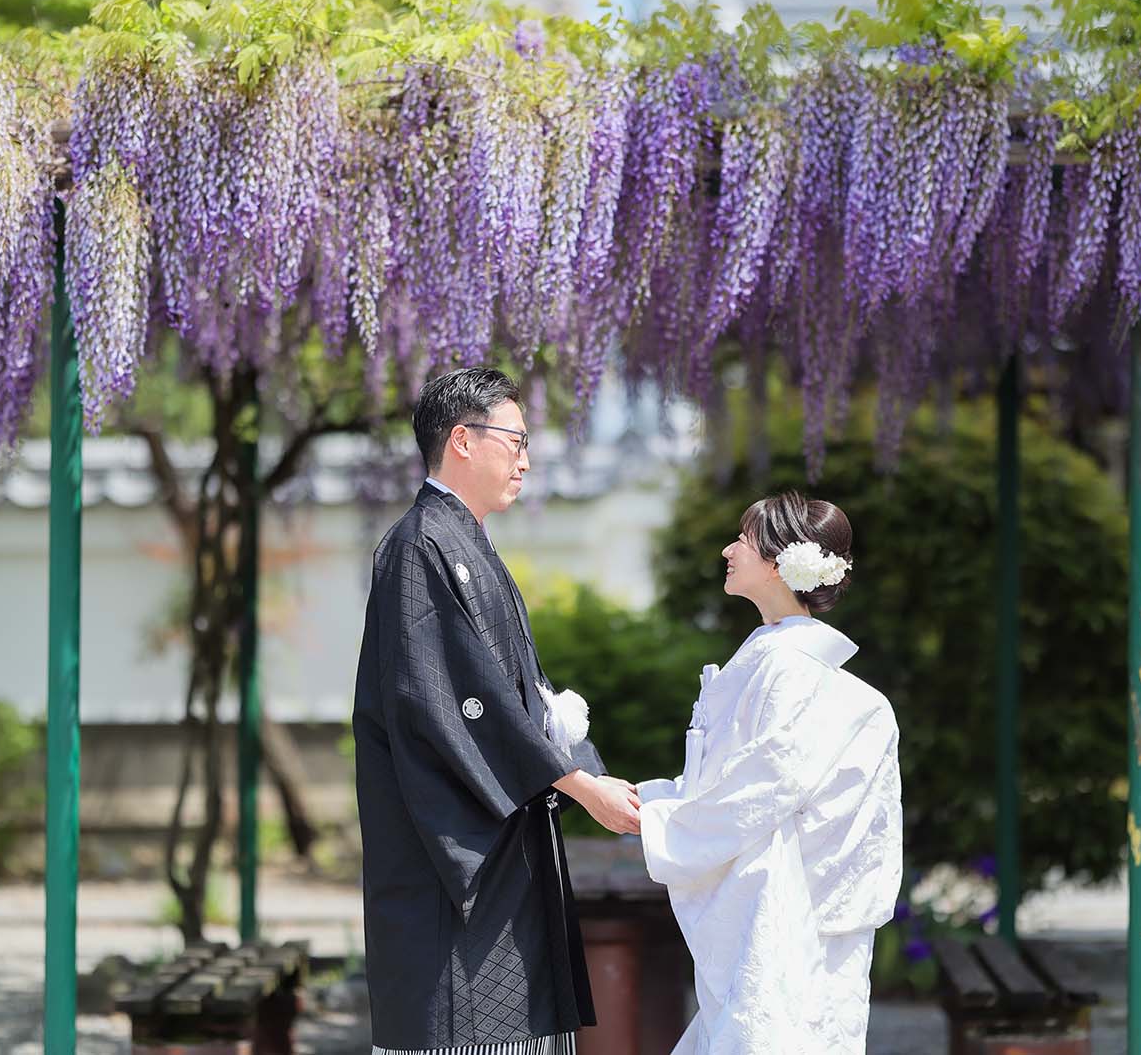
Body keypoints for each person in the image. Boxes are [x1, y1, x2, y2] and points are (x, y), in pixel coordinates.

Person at [353, 366, 642, 1055]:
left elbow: (523, 698)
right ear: (461, 439)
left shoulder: (463, 543)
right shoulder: (421, 545)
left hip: (502, 861)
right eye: (514, 440)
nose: (526, 458)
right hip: (453, 879)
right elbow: (455, 701)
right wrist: (578, 785)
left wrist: (582, 769)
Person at [637, 490, 903, 1055]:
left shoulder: (790, 666)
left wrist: (658, 818)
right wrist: (651, 800)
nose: (729, 550)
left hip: (789, 914)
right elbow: (728, 780)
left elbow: (762, 786)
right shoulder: (778, 657)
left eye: (744, 539)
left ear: (782, 561)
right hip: (784, 908)